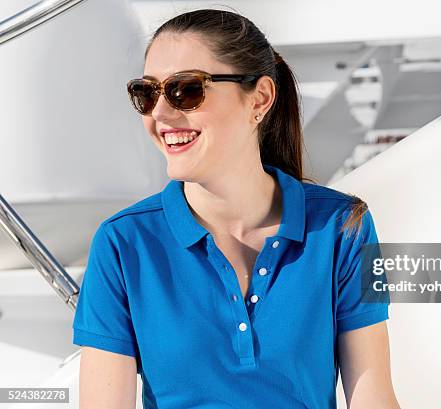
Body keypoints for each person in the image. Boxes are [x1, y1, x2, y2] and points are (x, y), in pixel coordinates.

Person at [72, 8, 400, 409]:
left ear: (259, 98)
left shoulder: (345, 228)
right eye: (147, 93)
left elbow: (375, 399)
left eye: (185, 90)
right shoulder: (123, 244)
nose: (159, 113)